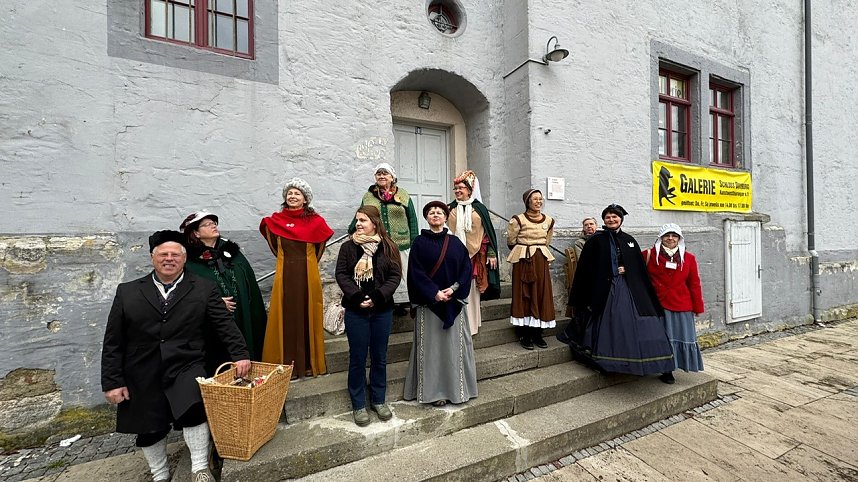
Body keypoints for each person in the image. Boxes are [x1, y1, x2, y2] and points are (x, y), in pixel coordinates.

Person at [101, 230, 251, 482]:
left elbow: (224, 324)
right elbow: (113, 340)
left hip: (186, 363)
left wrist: (240, 355)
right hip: (141, 370)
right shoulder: (127, 292)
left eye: (175, 254)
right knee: (148, 426)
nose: (169, 259)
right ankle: (160, 475)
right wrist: (113, 381)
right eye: (163, 254)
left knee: (193, 411)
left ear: (183, 259)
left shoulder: (203, 288)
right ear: (152, 258)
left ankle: (200, 469)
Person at [563, 204, 675, 378]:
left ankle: (661, 363)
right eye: (608, 217)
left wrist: (627, 269)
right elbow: (586, 269)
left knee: (645, 324)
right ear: (604, 220)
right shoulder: (595, 241)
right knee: (612, 322)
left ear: (621, 219)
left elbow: (638, 267)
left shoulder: (629, 240)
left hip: (631, 289)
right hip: (606, 289)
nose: (611, 219)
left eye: (615, 217)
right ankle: (610, 361)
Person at [404, 201, 477, 406]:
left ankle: (458, 390)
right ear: (427, 218)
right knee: (432, 351)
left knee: (454, 349)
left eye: (439, 212)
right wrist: (434, 293)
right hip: (430, 306)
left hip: (452, 303)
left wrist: (453, 289)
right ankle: (434, 393)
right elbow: (415, 273)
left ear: (446, 218)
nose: (435, 215)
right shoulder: (418, 242)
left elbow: (465, 269)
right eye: (431, 212)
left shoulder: (455, 243)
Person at [335, 206, 402, 426]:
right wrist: (357, 297)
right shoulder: (347, 247)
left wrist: (376, 296)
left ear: (375, 222)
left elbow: (395, 276)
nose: (359, 224)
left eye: (363, 220)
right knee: (357, 357)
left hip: (381, 310)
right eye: (357, 220)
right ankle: (358, 404)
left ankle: (378, 400)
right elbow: (342, 275)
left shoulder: (388, 247)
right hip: (356, 311)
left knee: (380, 357)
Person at [260, 178, 334, 378]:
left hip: (308, 277)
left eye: (297, 194)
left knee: (307, 314)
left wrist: (306, 263)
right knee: (286, 317)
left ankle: (308, 364)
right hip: (284, 277)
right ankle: (284, 363)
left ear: (305, 199)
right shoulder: (274, 221)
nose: (293, 196)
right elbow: (276, 247)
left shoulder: (316, 222)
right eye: (290, 193)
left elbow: (319, 248)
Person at [180, 211, 267, 368]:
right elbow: (185, 292)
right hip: (213, 322)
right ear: (196, 233)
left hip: (242, 313)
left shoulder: (232, 253)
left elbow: (247, 280)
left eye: (214, 223)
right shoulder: (190, 262)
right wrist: (213, 303)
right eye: (207, 224)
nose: (213, 225)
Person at [348, 163, 418, 310]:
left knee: (407, 274)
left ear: (392, 177)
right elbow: (361, 213)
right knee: (385, 274)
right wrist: (352, 228)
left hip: (401, 242)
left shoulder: (403, 194)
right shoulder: (368, 196)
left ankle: (413, 303)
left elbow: (412, 218)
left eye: (385, 173)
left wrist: (414, 240)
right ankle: (392, 304)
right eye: (378, 173)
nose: (381, 176)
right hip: (379, 243)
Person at [643, 223, 705, 384]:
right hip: (658, 305)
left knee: (678, 337)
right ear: (661, 237)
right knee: (662, 338)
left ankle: (674, 366)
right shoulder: (649, 255)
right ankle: (665, 369)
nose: (670, 238)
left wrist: (698, 306)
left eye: (674, 236)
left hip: (681, 304)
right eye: (667, 235)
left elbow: (694, 283)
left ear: (679, 238)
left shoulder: (689, 258)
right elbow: (634, 269)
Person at [447, 170, 500, 335]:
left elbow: (489, 233)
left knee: (471, 291)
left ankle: (471, 326)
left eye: (461, 187)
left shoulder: (480, 209)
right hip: (454, 256)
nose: (457, 191)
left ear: (470, 190)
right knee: (454, 288)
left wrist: (491, 252)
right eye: (455, 188)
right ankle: (456, 324)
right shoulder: (449, 208)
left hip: (474, 255)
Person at [507, 189, 557, 350]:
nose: (538, 202)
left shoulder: (549, 220)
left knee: (541, 293)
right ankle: (524, 333)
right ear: (527, 201)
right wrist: (524, 250)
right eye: (534, 199)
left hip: (540, 259)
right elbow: (511, 240)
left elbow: (547, 241)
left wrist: (537, 251)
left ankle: (537, 332)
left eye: (540, 199)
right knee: (524, 294)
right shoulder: (518, 220)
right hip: (523, 260)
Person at [565, 217, 598, 291]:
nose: (589, 226)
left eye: (591, 224)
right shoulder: (580, 242)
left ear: (596, 226)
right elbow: (582, 259)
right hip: (590, 270)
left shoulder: (602, 239)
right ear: (583, 228)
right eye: (586, 225)